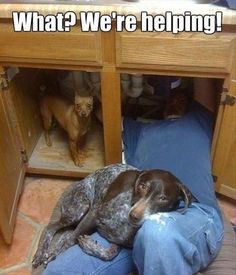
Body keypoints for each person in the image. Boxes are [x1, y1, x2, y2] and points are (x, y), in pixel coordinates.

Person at [44, 78, 224, 275]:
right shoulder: (135, 130)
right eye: (169, 99)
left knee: (156, 232)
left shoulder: (199, 121)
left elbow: (206, 79)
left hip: (191, 212)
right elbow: (101, 113)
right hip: (133, 225)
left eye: (181, 96)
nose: (174, 99)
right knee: (58, 271)